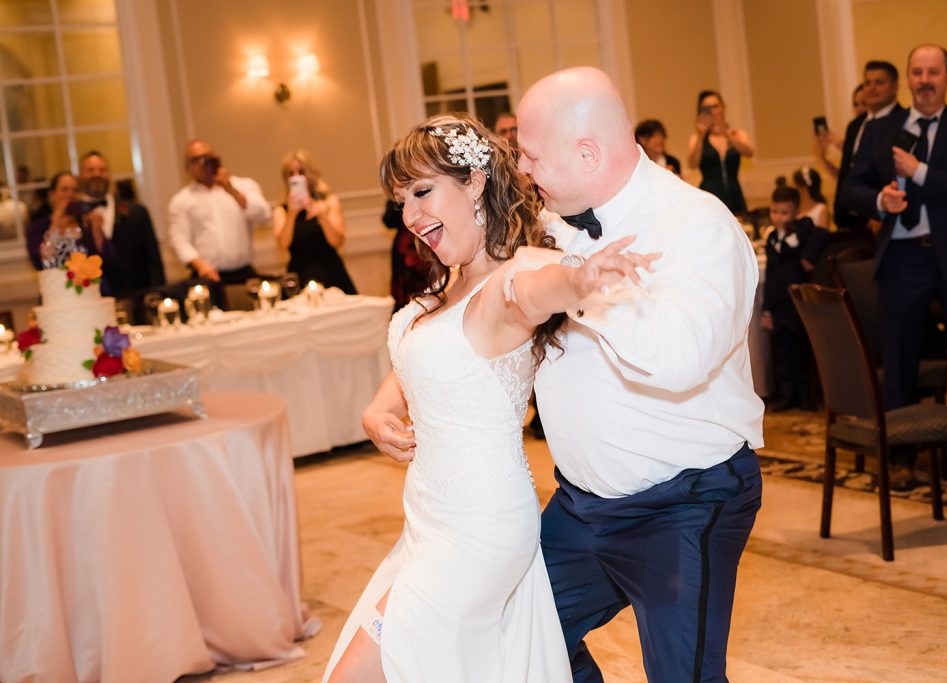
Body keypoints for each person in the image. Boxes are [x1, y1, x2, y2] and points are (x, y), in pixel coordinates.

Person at [322, 114, 656, 682]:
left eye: (423, 192)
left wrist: (578, 279)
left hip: (478, 531)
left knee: (357, 676)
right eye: (402, 200)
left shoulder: (507, 283)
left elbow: (537, 289)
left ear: (475, 182)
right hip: (427, 521)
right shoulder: (446, 285)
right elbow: (423, 358)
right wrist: (379, 408)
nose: (410, 216)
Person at [514, 67, 763, 682]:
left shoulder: (698, 224)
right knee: (516, 639)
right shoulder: (546, 225)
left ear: (588, 153)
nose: (523, 170)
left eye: (531, 155)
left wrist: (579, 281)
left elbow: (679, 361)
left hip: (684, 500)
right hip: (579, 503)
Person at [842, 45, 947, 491]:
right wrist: (880, 201)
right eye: (917, 72)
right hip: (901, 256)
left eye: (933, 72)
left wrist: (920, 173)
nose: (925, 80)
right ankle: (900, 457)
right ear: (908, 79)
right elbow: (850, 189)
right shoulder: (882, 130)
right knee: (899, 360)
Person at [167, 139, 271, 284]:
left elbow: (263, 216)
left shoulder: (244, 186)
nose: (203, 163)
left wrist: (231, 190)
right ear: (187, 167)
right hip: (207, 276)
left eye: (206, 157)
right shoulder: (182, 200)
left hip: (244, 273)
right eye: (195, 160)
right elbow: (179, 241)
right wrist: (201, 266)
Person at [761, 184, 826, 412]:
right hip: (777, 304)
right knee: (783, 353)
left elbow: (821, 232)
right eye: (774, 212)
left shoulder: (803, 228)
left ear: (796, 213)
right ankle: (787, 396)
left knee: (801, 350)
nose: (778, 218)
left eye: (784, 213)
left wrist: (807, 258)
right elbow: (769, 274)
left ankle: (807, 396)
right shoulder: (771, 239)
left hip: (796, 304)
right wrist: (766, 309)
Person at [77, 150, 166, 296]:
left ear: (109, 174)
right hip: (89, 300)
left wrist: (158, 294)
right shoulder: (72, 217)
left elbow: (154, 262)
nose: (96, 174)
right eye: (90, 170)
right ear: (80, 175)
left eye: (102, 169)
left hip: (135, 297)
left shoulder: (137, 212)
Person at [272, 149, 357, 293]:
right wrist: (292, 215)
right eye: (291, 173)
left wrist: (322, 216)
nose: (296, 177)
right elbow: (282, 244)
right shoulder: (281, 210)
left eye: (301, 172)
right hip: (299, 276)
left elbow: (337, 242)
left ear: (310, 174)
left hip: (331, 274)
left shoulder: (329, 202)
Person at [834, 60, 903, 233]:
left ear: (895, 87)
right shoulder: (855, 125)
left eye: (879, 83)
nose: (872, 88)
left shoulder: (903, 123)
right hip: (849, 217)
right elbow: (847, 171)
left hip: (882, 218)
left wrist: (877, 210)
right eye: (867, 83)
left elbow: (896, 173)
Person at [25, 172, 114, 287]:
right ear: (52, 195)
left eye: (74, 190)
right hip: (56, 293)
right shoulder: (37, 228)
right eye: (64, 190)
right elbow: (40, 262)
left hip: (90, 292)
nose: (70, 194)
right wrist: (55, 225)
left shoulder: (86, 224)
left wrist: (97, 230)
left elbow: (108, 260)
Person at [687, 89, 755, 215]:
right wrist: (701, 136)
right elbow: (692, 164)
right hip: (709, 192)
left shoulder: (737, 134)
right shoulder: (697, 138)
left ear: (723, 107)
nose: (712, 111)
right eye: (707, 108)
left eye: (715, 106)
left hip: (734, 190)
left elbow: (749, 152)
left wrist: (725, 133)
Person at [382, 199, 430, 311]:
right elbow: (388, 221)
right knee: (401, 288)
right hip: (402, 250)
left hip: (421, 247)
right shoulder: (395, 198)